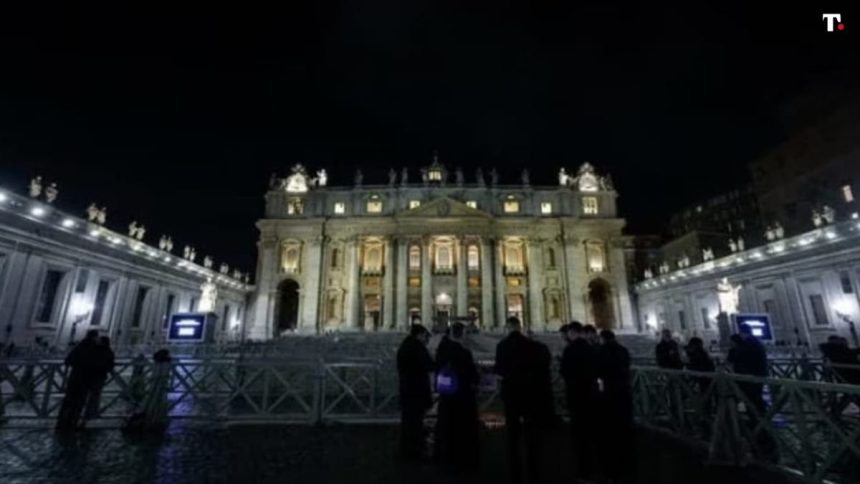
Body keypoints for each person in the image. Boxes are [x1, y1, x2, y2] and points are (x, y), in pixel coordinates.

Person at [495, 317, 543, 484]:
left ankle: (514, 470)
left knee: (513, 432)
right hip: (529, 392)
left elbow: (499, 370)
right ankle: (534, 469)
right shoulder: (532, 346)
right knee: (531, 431)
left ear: (508, 327)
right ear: (520, 327)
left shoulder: (502, 346)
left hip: (511, 393)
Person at [434, 322, 480, 473]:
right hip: (462, 396)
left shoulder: (442, 349)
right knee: (460, 426)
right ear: (462, 334)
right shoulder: (464, 352)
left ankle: (444, 453)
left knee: (446, 423)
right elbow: (471, 374)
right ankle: (461, 456)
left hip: (446, 394)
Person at [560, 321, 598, 479]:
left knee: (579, 433)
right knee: (592, 430)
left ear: (572, 332)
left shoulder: (570, 350)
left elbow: (564, 372)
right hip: (592, 393)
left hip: (576, 394)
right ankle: (597, 465)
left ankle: (583, 470)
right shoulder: (592, 348)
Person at [596, 329, 634, 482]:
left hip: (608, 393)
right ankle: (627, 462)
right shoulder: (623, 350)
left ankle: (611, 469)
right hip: (624, 392)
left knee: (610, 431)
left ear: (603, 339)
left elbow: (598, 371)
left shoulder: (601, 351)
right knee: (624, 428)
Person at [396, 324, 434, 460]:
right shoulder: (416, 348)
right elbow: (429, 364)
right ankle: (413, 452)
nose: (426, 340)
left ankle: (407, 451)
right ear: (419, 335)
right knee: (415, 422)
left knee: (409, 422)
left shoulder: (406, 345)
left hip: (408, 390)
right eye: (425, 336)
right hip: (415, 392)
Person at [56, 330, 99, 432]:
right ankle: (72, 424)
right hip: (86, 379)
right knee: (79, 403)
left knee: (68, 401)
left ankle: (61, 423)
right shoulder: (95, 349)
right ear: (94, 337)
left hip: (74, 378)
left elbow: (68, 360)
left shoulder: (79, 347)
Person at [84, 336, 116, 423]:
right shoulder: (108, 351)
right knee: (95, 395)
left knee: (88, 394)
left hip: (90, 375)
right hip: (100, 375)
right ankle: (92, 414)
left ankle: (86, 413)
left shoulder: (93, 350)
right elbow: (111, 364)